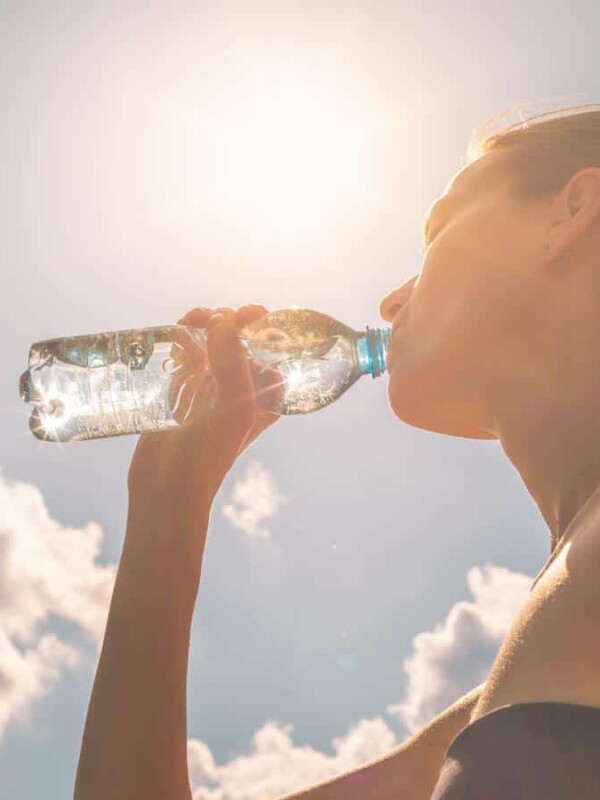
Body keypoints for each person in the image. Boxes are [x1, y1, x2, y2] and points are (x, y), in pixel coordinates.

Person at [74, 104, 600, 800]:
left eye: (438, 229)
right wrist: (169, 510)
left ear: (572, 212)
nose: (390, 301)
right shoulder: (507, 703)